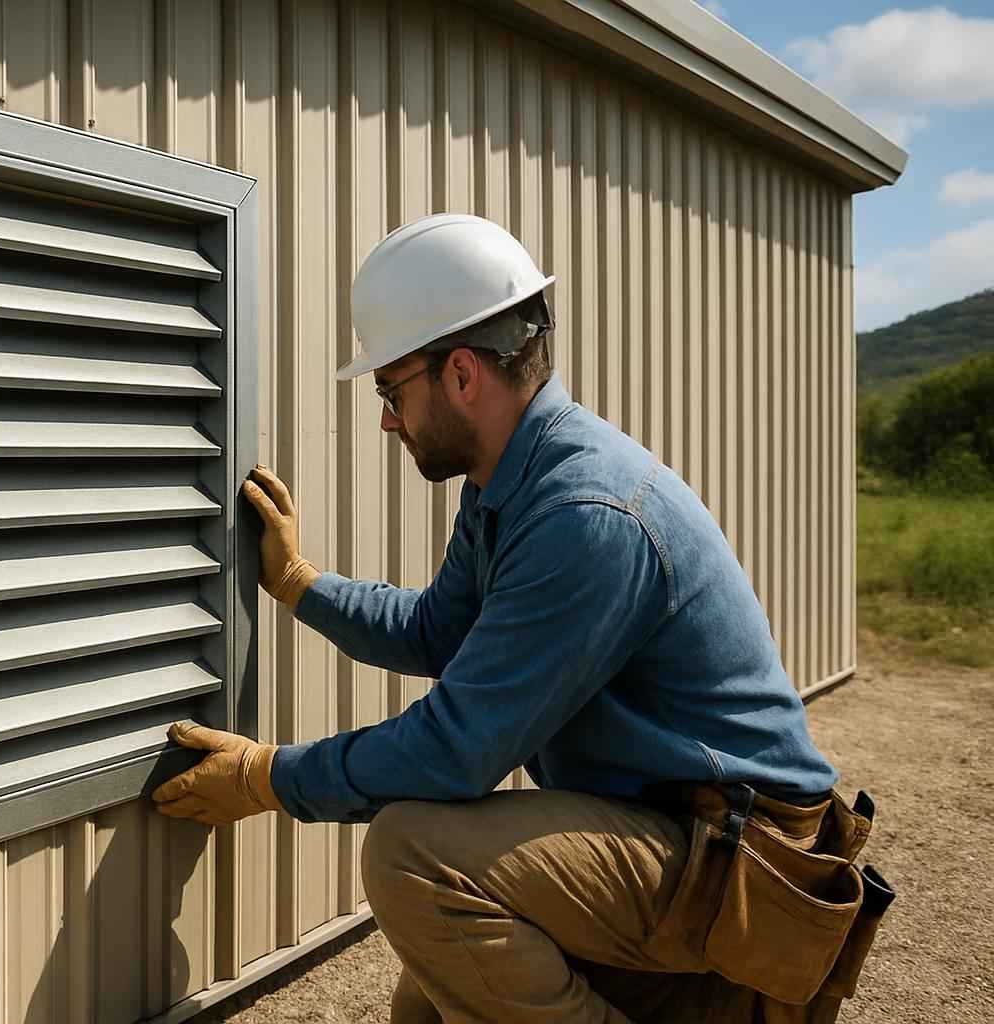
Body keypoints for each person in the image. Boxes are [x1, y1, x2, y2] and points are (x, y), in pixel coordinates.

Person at [152, 214, 890, 1023]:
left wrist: (268, 778)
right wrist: (298, 582)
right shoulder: (508, 484)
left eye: (390, 389)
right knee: (430, 1003)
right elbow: (439, 631)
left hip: (741, 871)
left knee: (413, 859)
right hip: (675, 839)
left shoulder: (588, 513)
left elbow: (455, 751)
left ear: (462, 373)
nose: (389, 419)